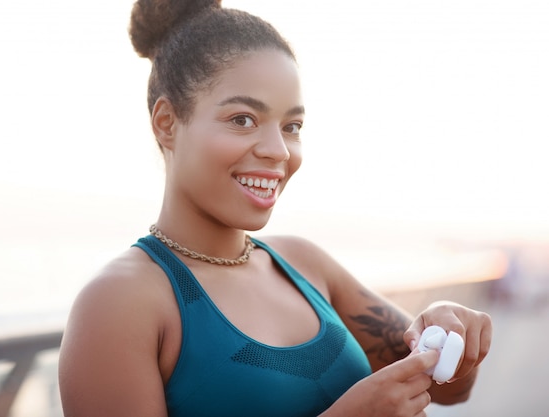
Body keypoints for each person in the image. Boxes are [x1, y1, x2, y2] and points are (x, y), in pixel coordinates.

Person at [58, 1, 492, 416]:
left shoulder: (302, 263)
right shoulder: (120, 302)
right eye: (243, 119)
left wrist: (447, 332)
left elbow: (451, 388)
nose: (278, 151)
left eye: (292, 126)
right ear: (167, 122)